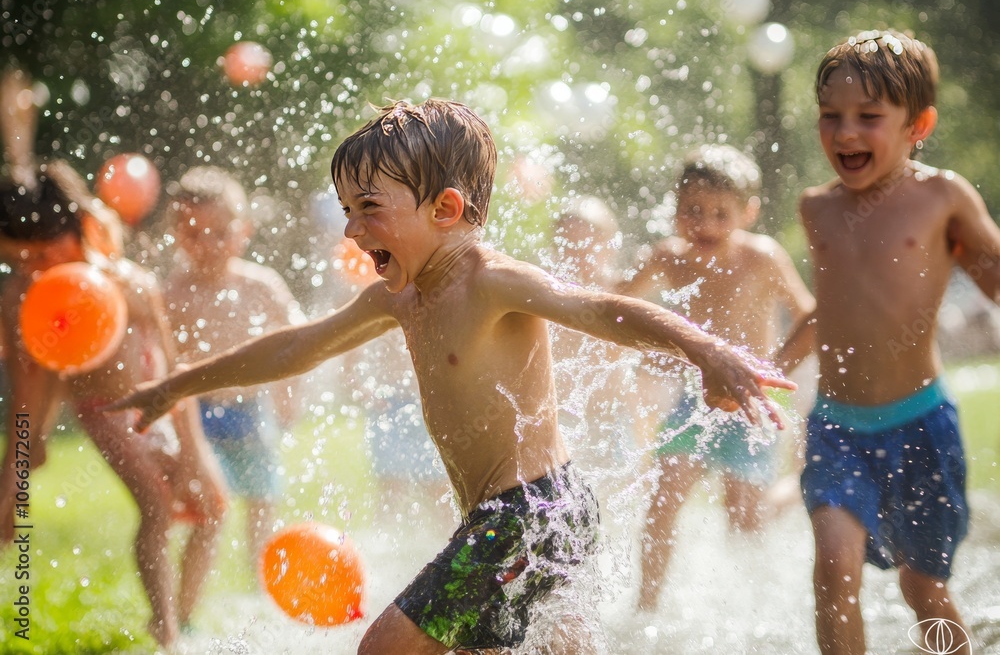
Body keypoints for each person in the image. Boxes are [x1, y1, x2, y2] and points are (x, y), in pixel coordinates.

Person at [110, 98, 795, 655]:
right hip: (515, 516)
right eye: (347, 209)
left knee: (385, 647)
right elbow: (297, 348)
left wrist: (705, 349)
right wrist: (178, 383)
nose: (352, 230)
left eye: (369, 208)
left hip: (528, 512)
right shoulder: (396, 296)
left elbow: (605, 311)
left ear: (444, 209)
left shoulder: (493, 280)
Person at [774, 30, 1000, 655]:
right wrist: (768, 366)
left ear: (917, 124)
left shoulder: (941, 196)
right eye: (830, 116)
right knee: (832, 571)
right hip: (836, 428)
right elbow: (833, 307)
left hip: (920, 425)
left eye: (868, 118)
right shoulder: (817, 209)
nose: (845, 133)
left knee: (922, 585)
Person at [0, 159, 227, 648]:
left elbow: (172, 374)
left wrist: (195, 452)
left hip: (160, 405)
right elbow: (29, 392)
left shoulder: (133, 283)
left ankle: (184, 619)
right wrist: (18, 467)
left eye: (42, 252)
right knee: (157, 506)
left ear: (81, 226)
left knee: (211, 505)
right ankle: (167, 633)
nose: (34, 268)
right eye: (19, 260)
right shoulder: (27, 297)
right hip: (104, 408)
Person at [619, 144, 815, 612]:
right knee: (663, 500)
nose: (704, 224)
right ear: (675, 209)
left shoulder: (763, 258)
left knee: (744, 518)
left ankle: (751, 608)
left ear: (748, 212)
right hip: (695, 400)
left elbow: (809, 315)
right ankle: (646, 606)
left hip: (753, 402)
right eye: (692, 211)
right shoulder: (668, 257)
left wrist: (773, 370)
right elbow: (619, 304)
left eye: (720, 213)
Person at [164, 165, 303, 569]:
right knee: (209, 512)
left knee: (263, 503)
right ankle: (185, 616)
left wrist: (288, 396)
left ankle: (260, 593)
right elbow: (163, 366)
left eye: (220, 233)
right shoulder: (172, 294)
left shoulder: (261, 286)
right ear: (176, 235)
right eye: (193, 234)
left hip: (253, 412)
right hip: (199, 418)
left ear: (243, 231)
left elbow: (298, 343)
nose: (208, 245)